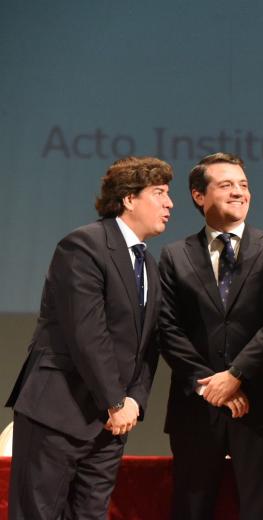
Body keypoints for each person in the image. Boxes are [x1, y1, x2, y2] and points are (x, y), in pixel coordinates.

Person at [5, 156, 174, 519]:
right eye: (158, 193)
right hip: (58, 411)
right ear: (129, 198)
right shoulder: (83, 245)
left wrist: (134, 401)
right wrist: (115, 400)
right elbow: (87, 333)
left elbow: (148, 345)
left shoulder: (149, 265)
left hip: (110, 425)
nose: (169, 203)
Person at [158, 152, 263, 520]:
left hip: (260, 401)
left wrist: (236, 375)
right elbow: (167, 327)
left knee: (261, 509)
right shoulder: (174, 256)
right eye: (226, 185)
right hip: (196, 405)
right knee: (190, 509)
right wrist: (208, 385)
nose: (239, 193)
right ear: (198, 196)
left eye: (244, 185)